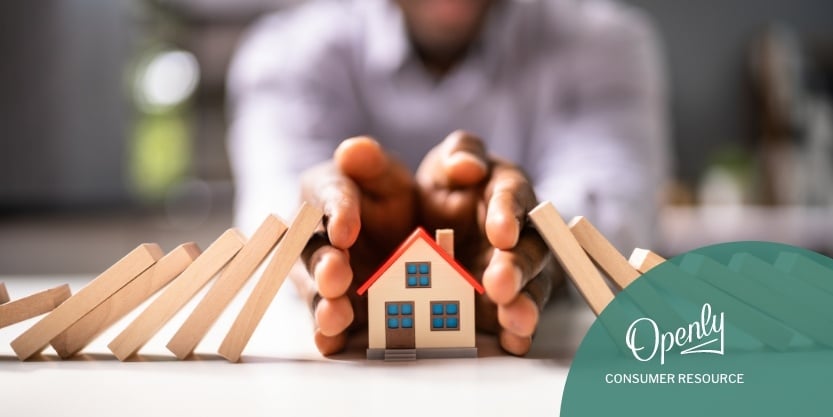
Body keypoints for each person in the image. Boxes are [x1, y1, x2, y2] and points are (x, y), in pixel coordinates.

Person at [226, 0, 670, 356]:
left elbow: (616, 209)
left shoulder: (603, 39)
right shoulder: (287, 49)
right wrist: (320, 236)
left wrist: (528, 242)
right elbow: (271, 209)